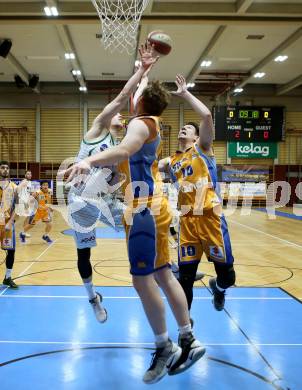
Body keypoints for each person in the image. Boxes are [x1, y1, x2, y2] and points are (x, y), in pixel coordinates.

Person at [64, 46, 206, 384]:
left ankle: (165, 345)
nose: (130, 105)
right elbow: (131, 98)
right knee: (161, 275)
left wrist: (87, 161)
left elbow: (125, 148)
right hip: (143, 206)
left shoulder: (140, 126)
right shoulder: (146, 120)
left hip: (143, 209)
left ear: (141, 106)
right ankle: (187, 338)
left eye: (137, 99)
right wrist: (141, 71)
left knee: (142, 280)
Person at [159, 74, 236, 313]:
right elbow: (147, 162)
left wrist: (185, 94)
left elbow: (206, 116)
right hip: (188, 222)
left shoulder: (203, 148)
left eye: (189, 128)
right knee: (185, 279)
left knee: (227, 277)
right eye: (183, 127)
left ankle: (218, 288)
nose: (184, 128)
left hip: (211, 218)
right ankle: (186, 331)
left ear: (196, 137)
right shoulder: (171, 160)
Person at [0, 161, 19, 289]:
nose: (5, 170)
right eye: (2, 167)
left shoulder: (14, 187)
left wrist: (11, 222)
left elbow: (17, 207)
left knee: (11, 251)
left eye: (7, 168)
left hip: (7, 224)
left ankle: (7, 277)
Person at [18, 170, 33, 237]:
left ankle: (24, 232)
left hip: (27, 202)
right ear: (25, 175)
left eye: (30, 174)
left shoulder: (29, 182)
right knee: (17, 217)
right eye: (28, 174)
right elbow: (18, 189)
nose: (29, 175)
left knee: (28, 216)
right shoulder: (24, 181)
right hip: (23, 202)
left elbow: (28, 193)